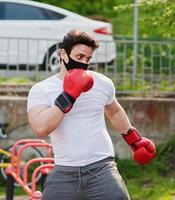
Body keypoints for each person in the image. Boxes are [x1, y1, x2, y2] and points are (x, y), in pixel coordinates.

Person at [27, 29, 156, 200]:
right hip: (64, 172)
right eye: (79, 57)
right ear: (63, 54)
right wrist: (68, 96)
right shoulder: (41, 89)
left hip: (102, 169)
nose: (83, 63)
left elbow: (114, 111)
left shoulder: (102, 83)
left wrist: (134, 139)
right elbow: (41, 128)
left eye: (87, 59)